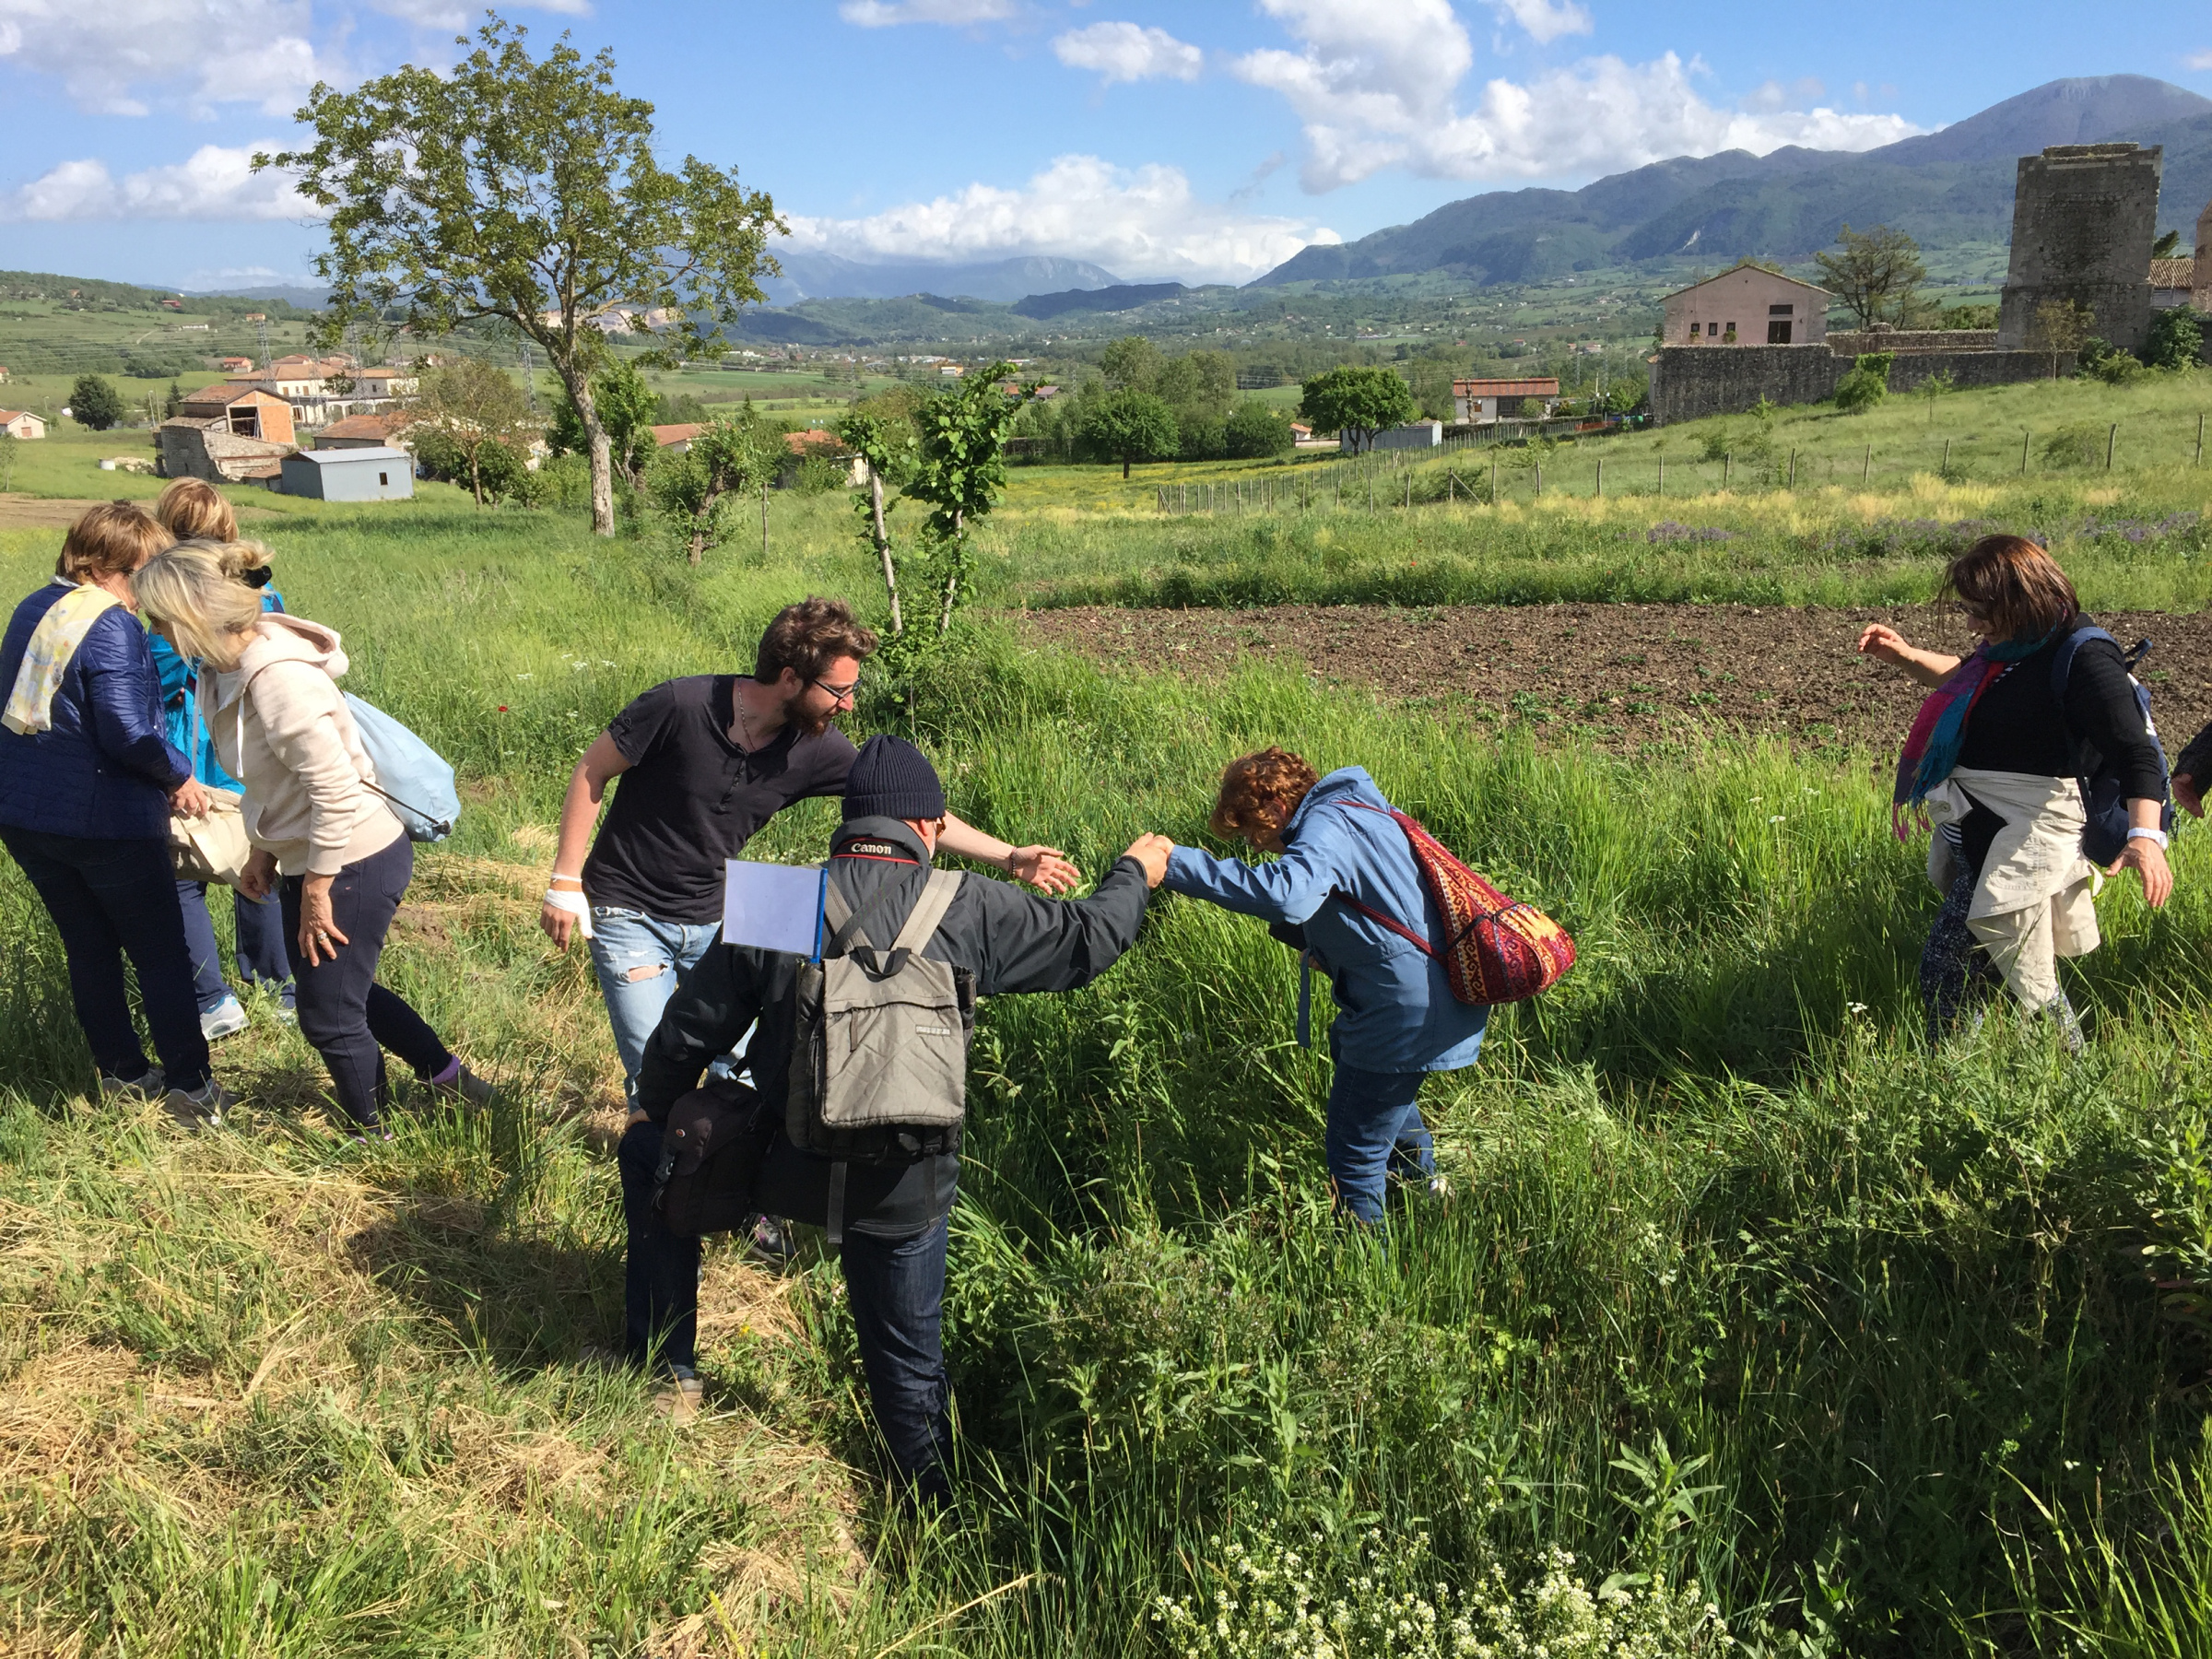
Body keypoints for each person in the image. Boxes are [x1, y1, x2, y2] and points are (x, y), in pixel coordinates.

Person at [628, 735, 1171, 1500]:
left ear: (850, 824)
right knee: (911, 1361)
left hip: (778, 1171)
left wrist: (658, 1119)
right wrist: (1134, 874)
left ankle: (669, 1369)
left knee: (648, 1150)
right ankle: (927, 1506)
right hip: (905, 1186)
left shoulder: (782, 896)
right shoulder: (970, 904)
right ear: (927, 828)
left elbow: (686, 1035)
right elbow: (1089, 942)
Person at [537, 597, 1080, 1113]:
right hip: (628, 911)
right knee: (655, 1066)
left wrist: (1010, 857)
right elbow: (593, 769)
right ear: (790, 677)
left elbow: (911, 808)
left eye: (853, 688)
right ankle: (661, 1186)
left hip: (720, 916)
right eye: (838, 690)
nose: (849, 704)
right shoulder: (680, 705)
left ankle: (738, 1197)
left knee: (745, 1069)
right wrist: (565, 882)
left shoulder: (815, 745)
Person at [131, 542, 489, 1139]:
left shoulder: (279, 681)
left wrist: (318, 888)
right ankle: (448, 1076)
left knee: (326, 1014)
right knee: (344, 991)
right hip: (314, 854)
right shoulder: (224, 667)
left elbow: (335, 791)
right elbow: (279, 782)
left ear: (192, 611)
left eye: (158, 617)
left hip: (354, 854)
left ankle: (370, 1134)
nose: (153, 630)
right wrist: (264, 853)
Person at [1858, 534, 2171, 1047]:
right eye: (1967, 610)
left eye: (1980, 611)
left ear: (2020, 599)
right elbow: (1971, 678)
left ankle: (1961, 1074)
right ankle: (2050, 1069)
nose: (1971, 624)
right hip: (1988, 834)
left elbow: (2136, 753)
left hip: (2026, 839)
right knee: (2010, 963)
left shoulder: (2084, 656)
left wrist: (2145, 837)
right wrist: (1905, 655)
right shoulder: (2009, 649)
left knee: (1949, 966)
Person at [1156, 747, 1489, 1224]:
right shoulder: (1360, 809)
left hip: (1403, 1010)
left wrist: (1178, 865)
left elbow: (1286, 896)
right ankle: (1431, 1199)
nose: (1253, 843)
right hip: (1436, 994)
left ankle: (1365, 1275)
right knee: (1380, 1095)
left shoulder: (1325, 825)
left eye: (1253, 828)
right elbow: (1374, 901)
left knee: (1354, 1156)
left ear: (1275, 806)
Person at [0, 501, 232, 1124]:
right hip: (102, 818)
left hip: (24, 814)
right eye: (149, 567)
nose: (155, 581)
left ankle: (124, 1075)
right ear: (113, 566)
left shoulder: (33, 606)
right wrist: (179, 775)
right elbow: (128, 731)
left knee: (89, 947)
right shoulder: (110, 623)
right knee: (159, 951)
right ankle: (191, 1087)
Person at [147, 479, 294, 1039]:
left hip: (192, 757)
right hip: (250, 748)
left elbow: (156, 678)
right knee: (258, 866)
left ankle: (213, 999)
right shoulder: (257, 585)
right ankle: (277, 986)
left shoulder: (168, 593)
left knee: (183, 874)